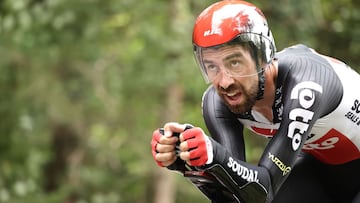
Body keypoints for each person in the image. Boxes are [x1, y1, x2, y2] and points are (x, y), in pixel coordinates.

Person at [151, 1, 360, 202]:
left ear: (262, 56)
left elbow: (265, 188)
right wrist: (189, 163)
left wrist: (216, 156)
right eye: (212, 67)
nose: (224, 82)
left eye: (234, 62)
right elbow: (238, 194)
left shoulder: (305, 85)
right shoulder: (217, 102)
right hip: (321, 170)